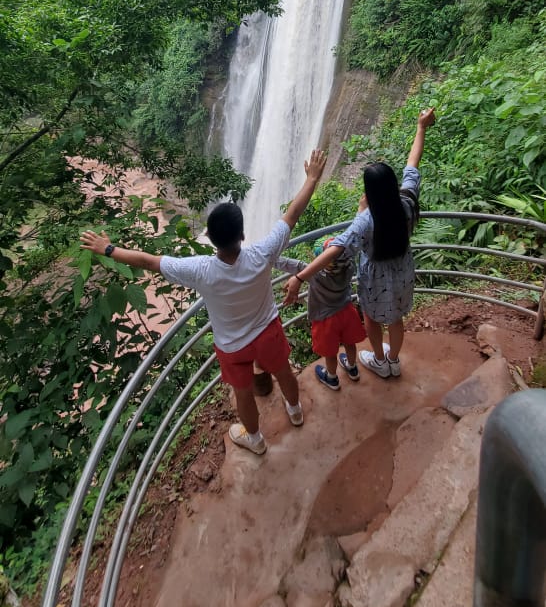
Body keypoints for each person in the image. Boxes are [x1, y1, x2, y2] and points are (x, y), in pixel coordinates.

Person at [80, 149, 327, 456]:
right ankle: (295, 410)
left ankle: (256, 440)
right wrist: (313, 178)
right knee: (283, 372)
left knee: (243, 393)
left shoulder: (200, 271)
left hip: (233, 347)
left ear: (210, 237)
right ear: (243, 234)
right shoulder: (263, 253)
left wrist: (108, 249)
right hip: (267, 331)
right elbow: (292, 214)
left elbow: (149, 261)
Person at [284, 109, 436, 379]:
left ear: (369, 193)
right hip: (402, 274)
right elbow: (413, 163)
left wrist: (299, 276)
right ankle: (393, 360)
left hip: (375, 281)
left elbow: (335, 249)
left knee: (373, 319)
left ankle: (379, 360)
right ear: (392, 187)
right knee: (397, 319)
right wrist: (421, 127)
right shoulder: (407, 203)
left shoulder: (366, 221)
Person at [278, 237, 365, 391]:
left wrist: (268, 258)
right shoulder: (349, 267)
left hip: (326, 320)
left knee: (331, 353)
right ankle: (352, 368)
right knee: (349, 343)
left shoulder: (315, 275)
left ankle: (331, 378)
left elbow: (291, 264)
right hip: (347, 312)